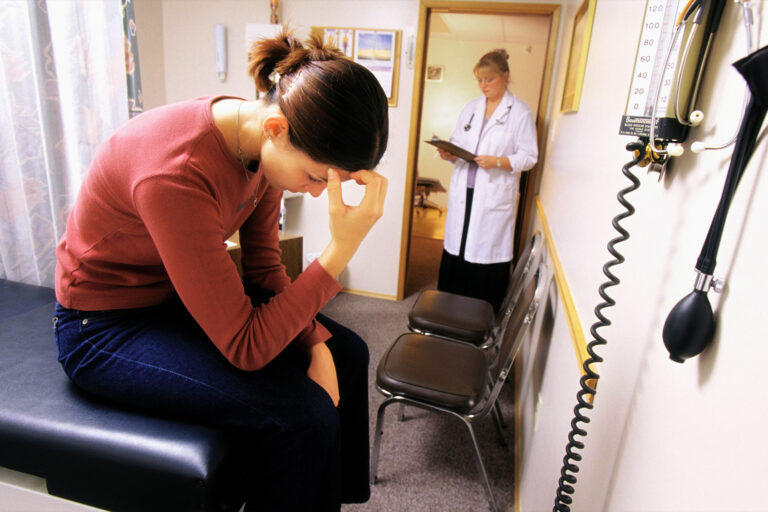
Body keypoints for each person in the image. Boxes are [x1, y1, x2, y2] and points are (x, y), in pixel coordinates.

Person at [52, 31, 388, 511]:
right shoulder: (175, 174)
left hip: (170, 299)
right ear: (276, 128)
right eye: (316, 176)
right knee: (303, 415)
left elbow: (266, 267)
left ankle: (332, 499)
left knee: (347, 352)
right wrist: (338, 252)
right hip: (102, 329)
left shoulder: (258, 147)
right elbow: (246, 347)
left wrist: (314, 339)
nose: (316, 193)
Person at [436, 48, 538, 312]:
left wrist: (499, 162)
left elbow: (529, 157)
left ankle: (479, 313)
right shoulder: (471, 108)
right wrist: (449, 153)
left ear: (505, 76)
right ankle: (449, 308)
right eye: (479, 80)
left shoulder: (520, 113)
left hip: (492, 194)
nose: (483, 85)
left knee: (483, 251)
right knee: (458, 247)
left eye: (489, 79)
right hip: (465, 191)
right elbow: (459, 141)